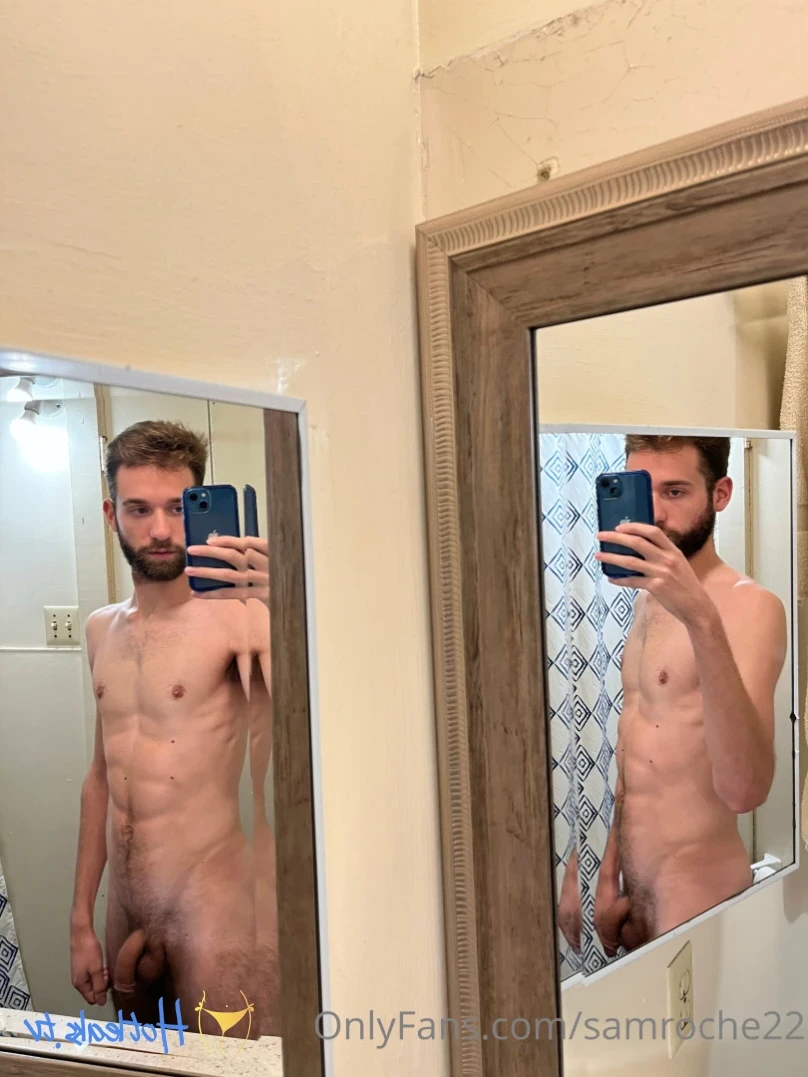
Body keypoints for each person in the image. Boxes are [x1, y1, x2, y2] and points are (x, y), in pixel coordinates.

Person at [68, 419, 278, 1037]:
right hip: (124, 911)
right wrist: (80, 920)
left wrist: (284, 607)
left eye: (177, 507)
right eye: (139, 509)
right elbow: (99, 780)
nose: (160, 530)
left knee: (232, 1068)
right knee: (142, 1068)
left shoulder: (242, 619)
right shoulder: (100, 629)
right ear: (112, 514)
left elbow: (314, 734)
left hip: (211, 906)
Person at [558, 435, 786, 959]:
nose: (656, 514)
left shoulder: (752, 607)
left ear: (720, 494)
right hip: (632, 900)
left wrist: (700, 617)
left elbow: (746, 790)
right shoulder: (647, 600)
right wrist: (605, 874)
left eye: (676, 492)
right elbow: (638, 752)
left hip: (698, 901)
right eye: (645, 490)